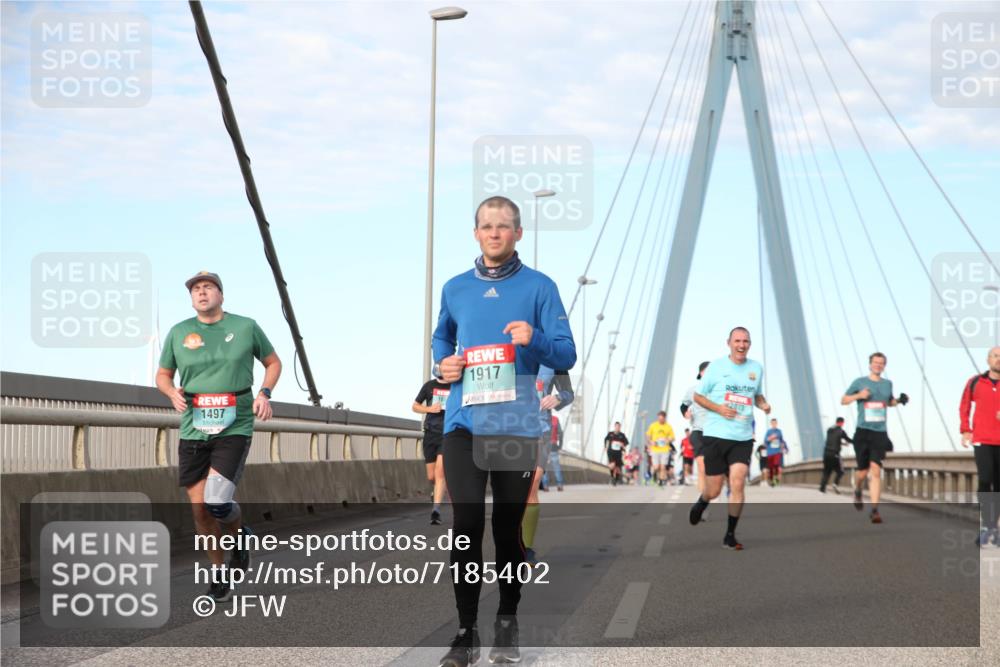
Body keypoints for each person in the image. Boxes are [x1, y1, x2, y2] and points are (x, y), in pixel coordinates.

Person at [433, 196, 576, 667]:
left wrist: (532, 338)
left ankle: (507, 622)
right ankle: (465, 632)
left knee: (506, 530)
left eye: (504, 226)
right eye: (486, 226)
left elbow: (565, 354)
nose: (495, 233)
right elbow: (442, 336)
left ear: (518, 234)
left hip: (513, 425)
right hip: (463, 424)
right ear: (475, 233)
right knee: (466, 527)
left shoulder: (541, 287)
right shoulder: (455, 288)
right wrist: (444, 363)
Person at [156, 271, 281, 604]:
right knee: (200, 511)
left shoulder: (245, 327)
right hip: (193, 423)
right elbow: (163, 374)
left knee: (217, 501)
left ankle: (240, 536)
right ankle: (218, 573)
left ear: (221, 295)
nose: (201, 292)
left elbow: (273, 362)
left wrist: (265, 393)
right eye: (195, 289)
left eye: (208, 287)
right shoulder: (179, 332)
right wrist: (171, 392)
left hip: (234, 423)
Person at [689, 327, 770, 550]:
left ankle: (730, 535)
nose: (741, 345)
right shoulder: (716, 367)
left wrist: (763, 404)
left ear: (749, 344)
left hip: (742, 436)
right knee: (714, 489)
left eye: (745, 341)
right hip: (716, 435)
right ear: (729, 343)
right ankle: (703, 501)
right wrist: (718, 408)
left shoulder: (756, 368)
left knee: (738, 480)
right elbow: (698, 396)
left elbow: (757, 395)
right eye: (737, 341)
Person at [842, 352, 909, 524]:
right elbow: (844, 400)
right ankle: (857, 490)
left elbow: (889, 401)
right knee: (862, 471)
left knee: (876, 470)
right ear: (870, 364)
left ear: (884, 366)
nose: (878, 365)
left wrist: (900, 401)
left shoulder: (888, 384)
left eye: (881, 363)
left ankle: (874, 510)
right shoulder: (860, 382)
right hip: (863, 431)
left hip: (880, 432)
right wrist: (859, 396)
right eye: (875, 362)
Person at [522, 367, 573, 566]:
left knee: (532, 483)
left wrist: (559, 397)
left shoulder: (552, 357)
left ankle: (526, 548)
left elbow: (569, 392)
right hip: (510, 429)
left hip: (540, 430)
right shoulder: (509, 347)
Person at [959, 346, 1000, 547]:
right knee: (985, 480)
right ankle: (988, 525)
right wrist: (965, 429)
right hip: (982, 439)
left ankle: (993, 527)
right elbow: (964, 405)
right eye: (995, 356)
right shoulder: (975, 382)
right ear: (988, 360)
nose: (998, 359)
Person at [413, 377, 451, 524]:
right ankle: (438, 490)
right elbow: (415, 406)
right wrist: (429, 409)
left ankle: (435, 511)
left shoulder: (456, 386)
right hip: (430, 433)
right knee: (431, 476)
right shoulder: (429, 386)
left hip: (448, 433)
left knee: (440, 472)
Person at [681, 361, 711, 494]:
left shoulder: (721, 389)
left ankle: (713, 492)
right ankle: (702, 502)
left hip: (716, 433)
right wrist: (685, 413)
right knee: (702, 466)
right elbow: (683, 406)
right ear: (702, 373)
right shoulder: (693, 390)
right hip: (698, 432)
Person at [819, 417, 853, 494]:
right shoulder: (841, 431)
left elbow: (833, 440)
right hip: (834, 454)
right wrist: (855, 442)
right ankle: (835, 484)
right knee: (840, 471)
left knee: (826, 471)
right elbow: (848, 439)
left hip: (826, 453)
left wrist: (842, 443)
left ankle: (822, 488)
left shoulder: (829, 430)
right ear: (841, 423)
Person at [645, 411, 675, 487]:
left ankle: (661, 481)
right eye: (659, 418)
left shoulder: (668, 427)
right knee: (656, 467)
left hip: (665, 449)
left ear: (664, 418)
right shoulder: (653, 425)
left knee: (663, 466)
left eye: (662, 418)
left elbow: (672, 437)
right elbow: (648, 435)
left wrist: (668, 440)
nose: (660, 420)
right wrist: (651, 442)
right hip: (655, 449)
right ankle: (656, 475)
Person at [541, 413, 566, 491]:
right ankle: (559, 485)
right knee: (556, 467)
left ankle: (545, 486)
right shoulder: (555, 419)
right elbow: (560, 433)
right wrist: (560, 446)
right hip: (553, 446)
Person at [763, 418, 788, 486]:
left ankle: (776, 482)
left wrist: (786, 449)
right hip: (770, 453)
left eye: (775, 423)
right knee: (771, 469)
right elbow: (765, 441)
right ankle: (771, 481)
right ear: (771, 424)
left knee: (779, 469)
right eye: (773, 423)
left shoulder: (779, 431)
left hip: (778, 452)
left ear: (776, 423)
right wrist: (771, 438)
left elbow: (782, 441)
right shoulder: (768, 432)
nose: (774, 424)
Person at [604, 421, 630, 485]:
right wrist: (605, 446)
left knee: (618, 468)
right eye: (616, 426)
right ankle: (612, 477)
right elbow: (606, 439)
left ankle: (616, 480)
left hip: (618, 453)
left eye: (619, 427)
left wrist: (622, 445)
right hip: (611, 452)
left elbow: (626, 442)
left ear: (620, 427)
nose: (617, 428)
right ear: (614, 426)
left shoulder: (622, 435)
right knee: (612, 465)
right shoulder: (610, 434)